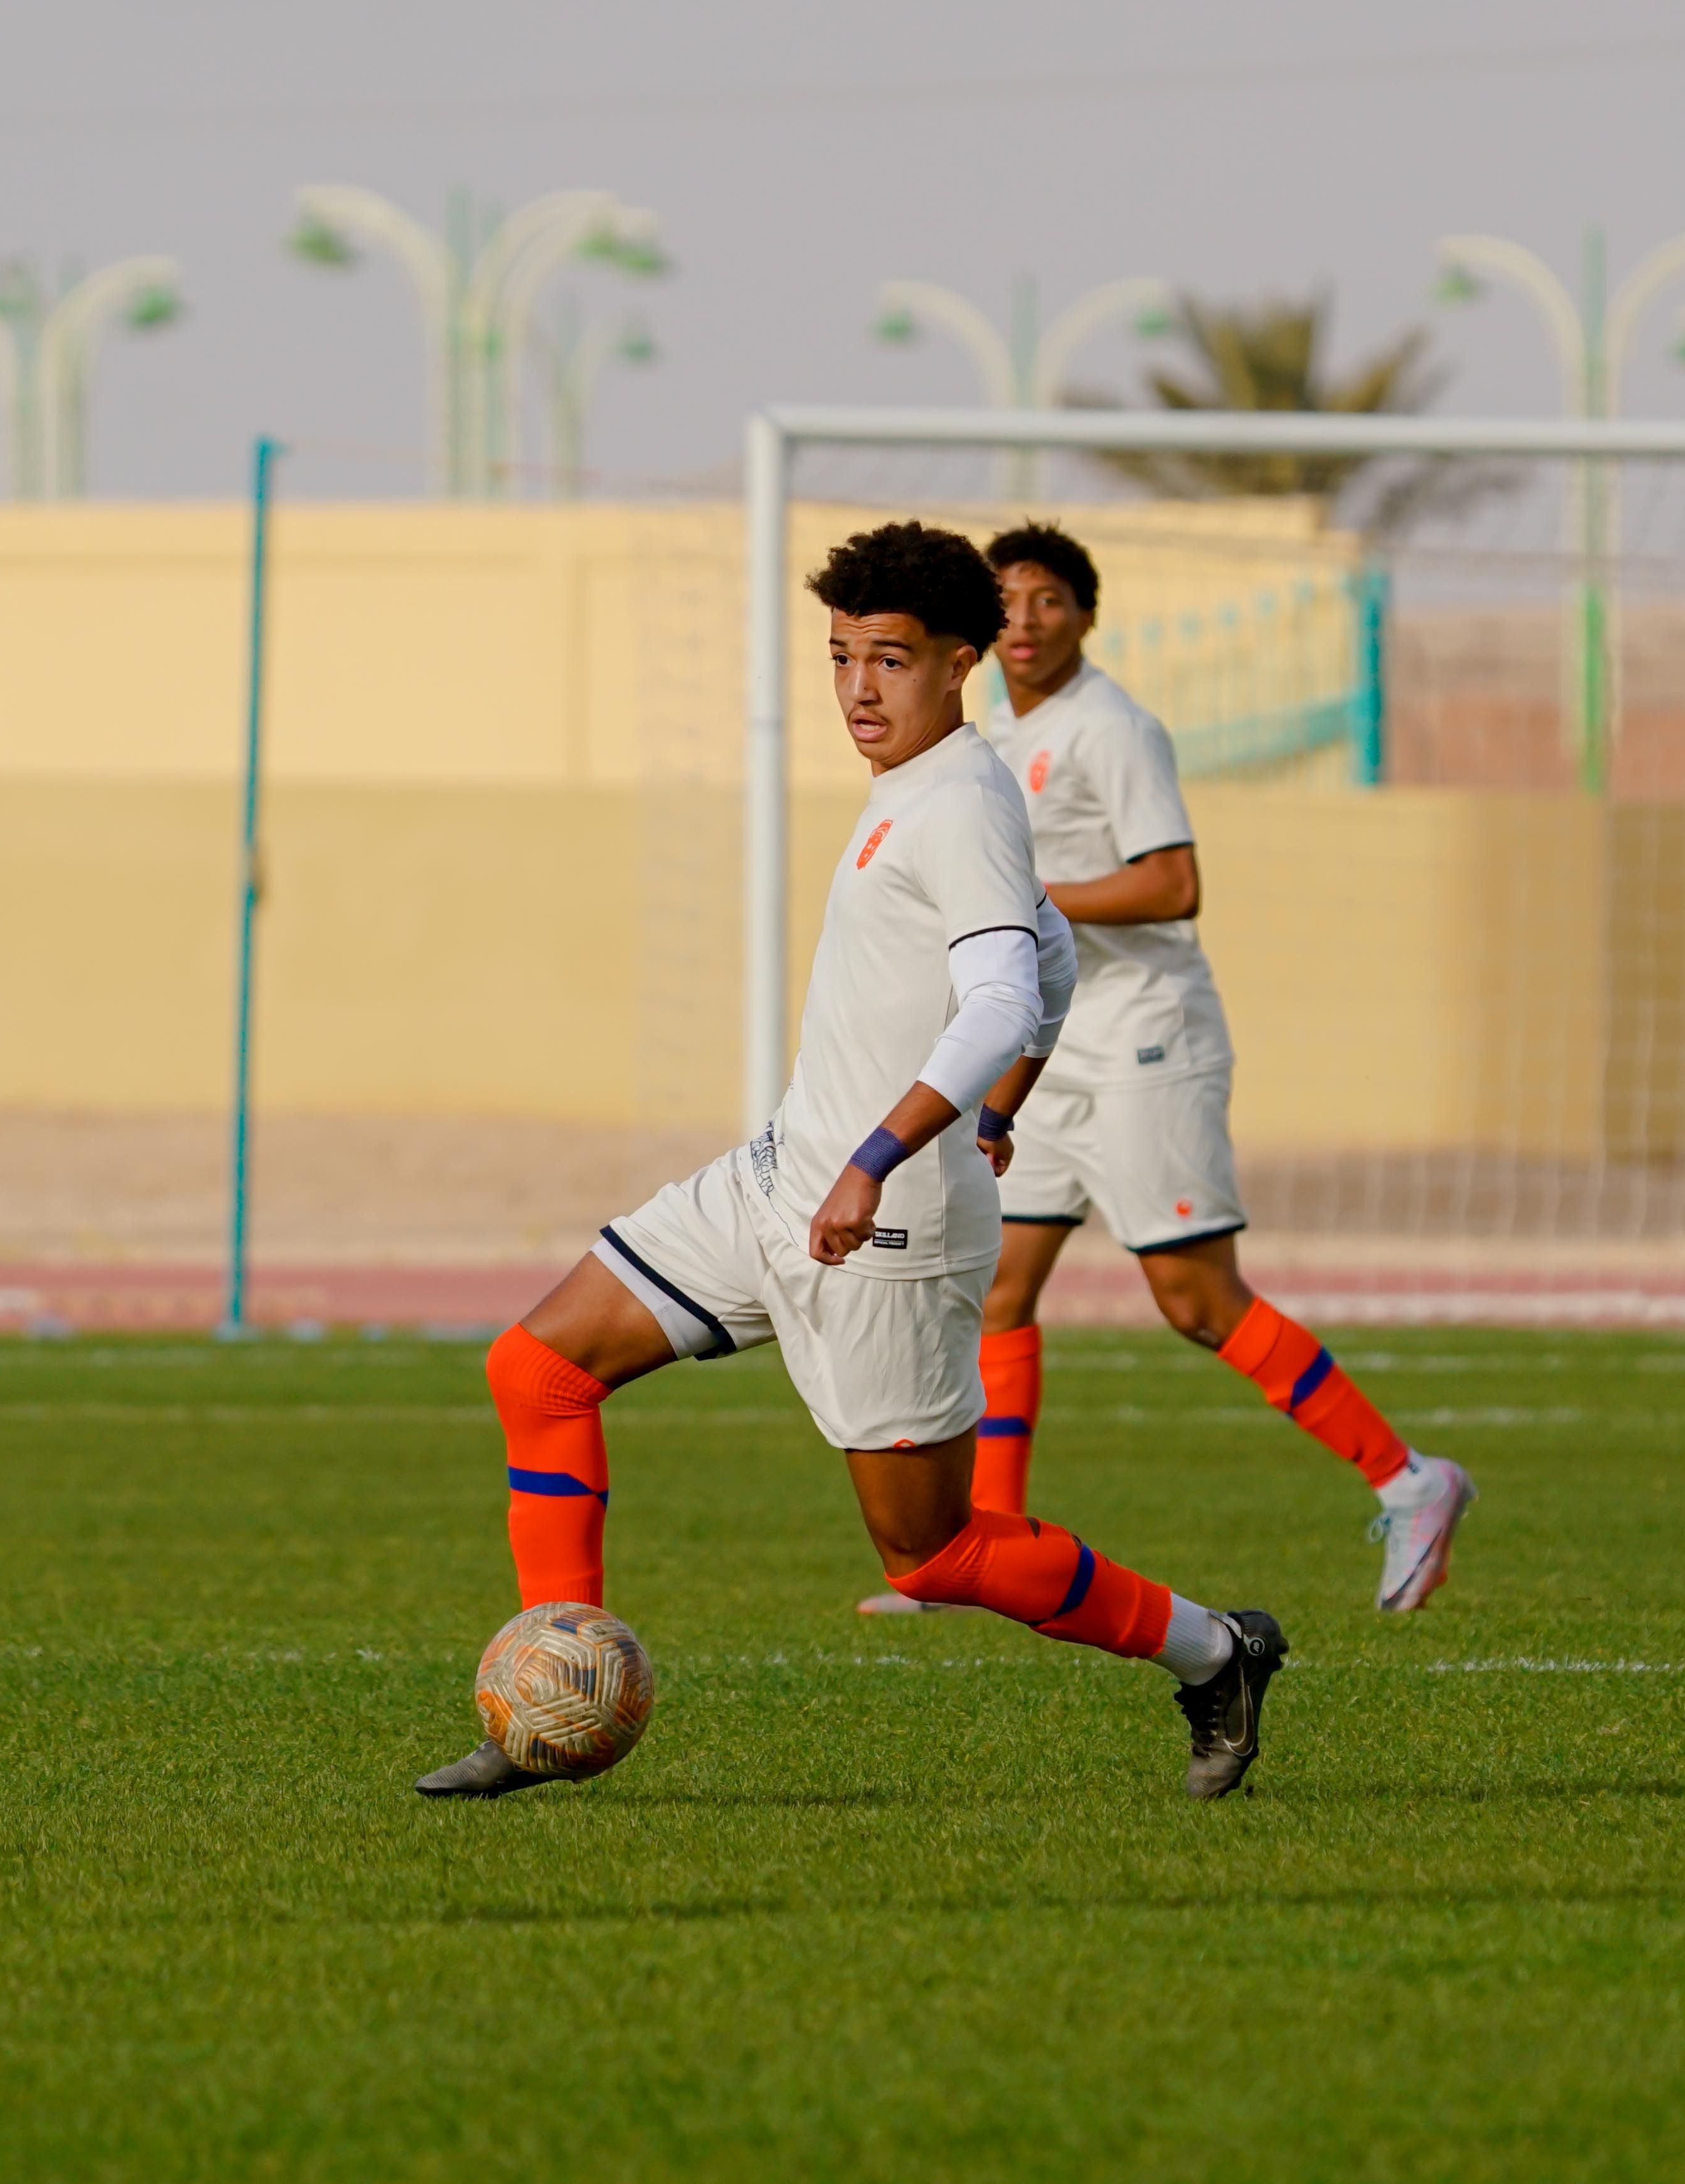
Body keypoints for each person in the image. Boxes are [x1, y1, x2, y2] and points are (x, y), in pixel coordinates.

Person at [422, 522, 1287, 1804]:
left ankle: (1214, 1648)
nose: (857, 690)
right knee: (538, 1366)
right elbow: (1044, 962)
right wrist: (999, 1109)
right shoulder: (915, 791)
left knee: (932, 1554)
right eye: (839, 658)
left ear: (959, 664)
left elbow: (995, 994)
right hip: (780, 1179)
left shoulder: (962, 803)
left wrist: (885, 1155)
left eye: (888, 660)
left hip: (880, 1223)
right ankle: (563, 1690)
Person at [855, 523, 1470, 1616]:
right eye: (1011, 602)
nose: (1030, 620)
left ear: (1086, 615)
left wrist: (1028, 904)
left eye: (1052, 599)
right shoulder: (986, 734)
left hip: (1144, 1041)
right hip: (1043, 1047)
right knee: (999, 1290)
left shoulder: (1114, 730)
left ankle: (1410, 1481)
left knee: (1194, 1300)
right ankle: (978, 1548)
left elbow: (1173, 883)